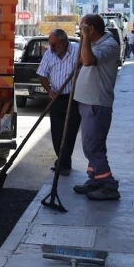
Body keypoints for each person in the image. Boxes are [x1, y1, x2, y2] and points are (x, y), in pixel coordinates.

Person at [72, 14, 122, 201]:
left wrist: (85, 38)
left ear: (91, 29)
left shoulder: (109, 45)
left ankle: (108, 185)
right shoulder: (94, 44)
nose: (79, 30)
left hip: (97, 103)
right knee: (90, 145)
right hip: (87, 101)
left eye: (82, 27)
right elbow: (81, 58)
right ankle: (95, 179)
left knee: (93, 147)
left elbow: (88, 61)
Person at [36, 29, 81, 176]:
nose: (51, 47)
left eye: (54, 44)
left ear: (64, 42)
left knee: (70, 133)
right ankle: (62, 160)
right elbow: (42, 75)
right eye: (50, 44)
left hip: (73, 98)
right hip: (56, 98)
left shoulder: (77, 51)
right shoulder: (49, 54)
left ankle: (64, 164)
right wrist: (49, 90)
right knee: (57, 133)